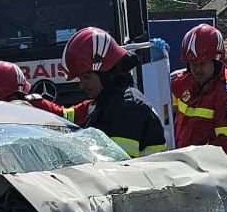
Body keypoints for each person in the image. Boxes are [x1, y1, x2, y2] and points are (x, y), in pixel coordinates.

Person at [58, 28, 167, 158]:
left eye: (87, 77)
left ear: (106, 73)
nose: (82, 85)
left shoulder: (127, 107)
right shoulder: (106, 103)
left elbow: (119, 166)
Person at [171, 24, 227, 154]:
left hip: (208, 164)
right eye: (193, 64)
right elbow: (163, 108)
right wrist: (157, 59)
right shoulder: (183, 82)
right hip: (182, 160)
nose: (197, 70)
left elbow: (225, 144)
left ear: (216, 60)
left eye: (202, 63)